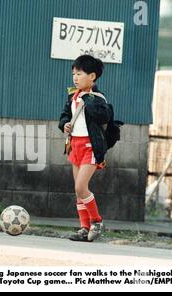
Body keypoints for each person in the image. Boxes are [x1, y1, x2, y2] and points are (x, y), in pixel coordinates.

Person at [58, 55, 111, 242]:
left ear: (92, 76)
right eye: (74, 73)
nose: (75, 77)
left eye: (79, 74)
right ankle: (84, 227)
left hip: (90, 146)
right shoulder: (72, 96)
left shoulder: (97, 98)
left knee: (81, 187)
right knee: (77, 190)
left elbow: (104, 116)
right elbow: (64, 116)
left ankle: (96, 221)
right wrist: (64, 124)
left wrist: (87, 99)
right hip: (75, 146)